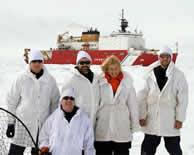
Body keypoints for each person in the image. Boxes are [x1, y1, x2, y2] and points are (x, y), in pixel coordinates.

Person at [6, 50, 60, 155]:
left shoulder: (50, 80)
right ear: (29, 63)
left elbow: (55, 103)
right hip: (22, 126)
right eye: (34, 61)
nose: (37, 64)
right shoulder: (21, 78)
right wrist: (10, 123)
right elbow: (11, 101)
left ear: (42, 62)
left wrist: (53, 125)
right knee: (15, 153)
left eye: (39, 61)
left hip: (42, 128)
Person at [138, 46, 188, 155]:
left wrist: (180, 119)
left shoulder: (178, 75)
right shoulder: (149, 74)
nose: (164, 59)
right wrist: (142, 116)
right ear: (158, 57)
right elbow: (142, 97)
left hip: (170, 120)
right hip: (152, 119)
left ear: (171, 58)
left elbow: (183, 99)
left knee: (174, 149)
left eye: (167, 56)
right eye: (162, 56)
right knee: (147, 149)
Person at [94, 55, 139, 155]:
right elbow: (94, 105)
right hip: (103, 127)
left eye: (116, 69)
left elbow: (133, 105)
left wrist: (134, 124)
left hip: (122, 126)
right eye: (111, 69)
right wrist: (92, 125)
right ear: (106, 69)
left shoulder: (127, 82)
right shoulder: (98, 82)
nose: (114, 71)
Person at [39, 89, 95, 155]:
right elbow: (44, 137)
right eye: (66, 98)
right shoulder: (52, 118)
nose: (69, 100)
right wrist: (45, 148)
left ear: (74, 102)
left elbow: (89, 144)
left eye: (72, 98)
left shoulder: (84, 120)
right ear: (61, 101)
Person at [62, 50, 100, 126]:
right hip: (77, 124)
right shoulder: (71, 80)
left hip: (93, 124)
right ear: (77, 64)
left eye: (87, 62)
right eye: (81, 63)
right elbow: (63, 104)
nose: (84, 65)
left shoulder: (97, 79)